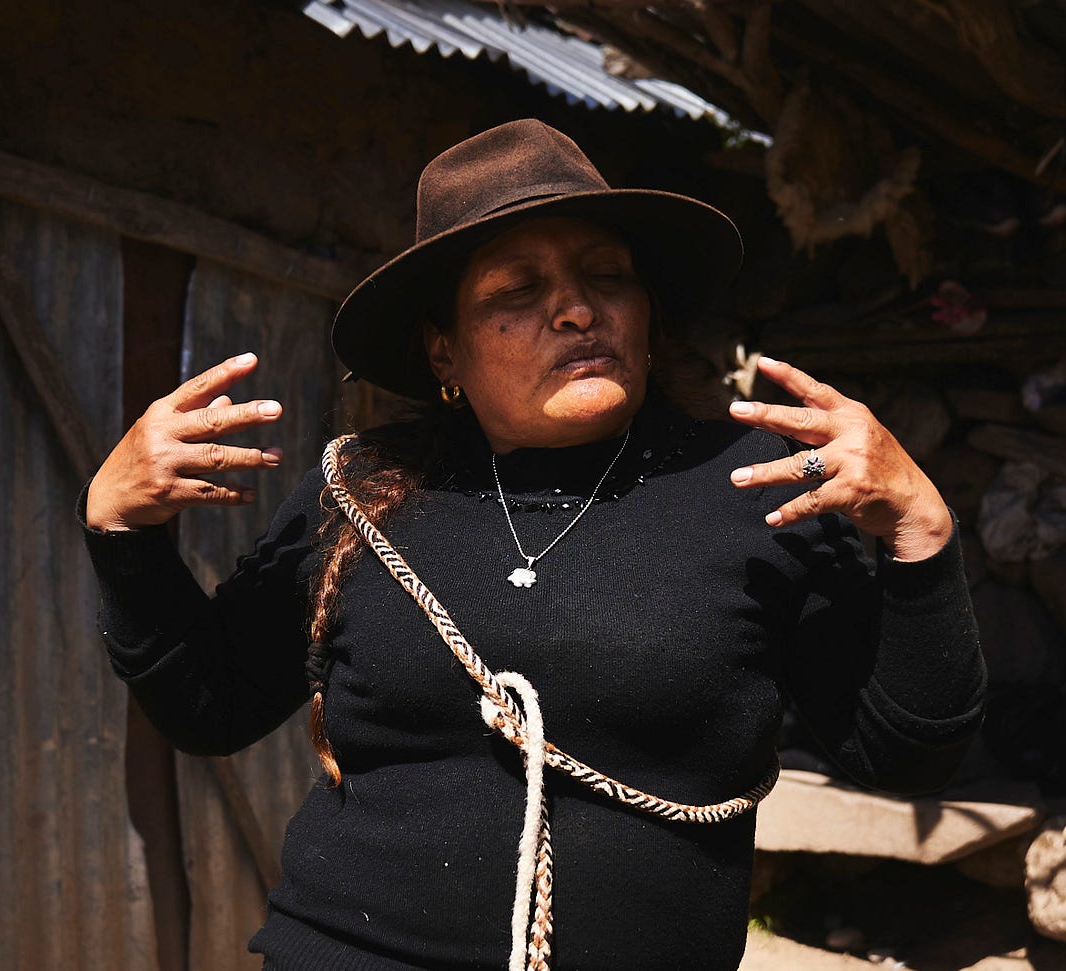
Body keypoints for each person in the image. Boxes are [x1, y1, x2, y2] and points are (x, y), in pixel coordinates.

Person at [81, 119, 985, 971]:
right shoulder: (363, 494)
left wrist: (921, 530)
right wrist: (122, 532)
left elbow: (903, 756)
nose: (576, 311)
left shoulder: (756, 487)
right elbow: (213, 706)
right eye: (518, 290)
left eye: (607, 276)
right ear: (445, 353)